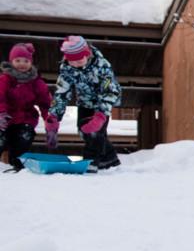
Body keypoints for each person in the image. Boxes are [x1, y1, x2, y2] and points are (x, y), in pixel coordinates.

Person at [48, 35, 123, 171]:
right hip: (85, 103)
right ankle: (110, 159)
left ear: (87, 54)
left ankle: (91, 162)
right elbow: (62, 93)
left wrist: (101, 115)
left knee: (94, 131)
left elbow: (110, 91)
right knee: (84, 130)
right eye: (72, 60)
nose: (76, 63)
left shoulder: (102, 66)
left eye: (79, 59)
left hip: (103, 103)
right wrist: (53, 117)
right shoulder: (67, 70)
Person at [0, 43, 57, 172]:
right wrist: (1, 113)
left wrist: (50, 124)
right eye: (18, 60)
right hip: (4, 119)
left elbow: (45, 104)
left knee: (23, 139)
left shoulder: (36, 82)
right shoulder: (5, 79)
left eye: (26, 61)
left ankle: (18, 167)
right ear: (11, 61)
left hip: (25, 119)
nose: (22, 64)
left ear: (31, 62)